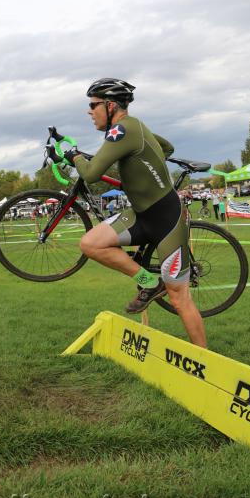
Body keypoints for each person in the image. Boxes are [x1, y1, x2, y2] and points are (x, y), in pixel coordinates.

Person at [63, 78, 206, 348]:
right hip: (140, 214)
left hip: (166, 221)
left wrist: (75, 157)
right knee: (90, 243)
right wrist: (144, 163)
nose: (89, 111)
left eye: (93, 105)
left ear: (111, 105)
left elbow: (92, 175)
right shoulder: (135, 126)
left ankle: (206, 358)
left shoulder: (122, 131)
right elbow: (167, 148)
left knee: (179, 298)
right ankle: (149, 281)